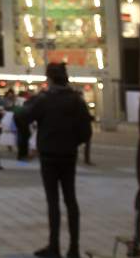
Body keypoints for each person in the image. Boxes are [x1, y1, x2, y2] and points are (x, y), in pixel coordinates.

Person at [26, 62, 93, 258]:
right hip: (68, 155)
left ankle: (54, 247)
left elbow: (24, 117)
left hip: (48, 156)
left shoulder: (44, 100)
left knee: (53, 201)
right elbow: (86, 132)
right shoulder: (76, 100)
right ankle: (74, 248)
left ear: (50, 78)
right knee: (71, 200)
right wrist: (72, 142)